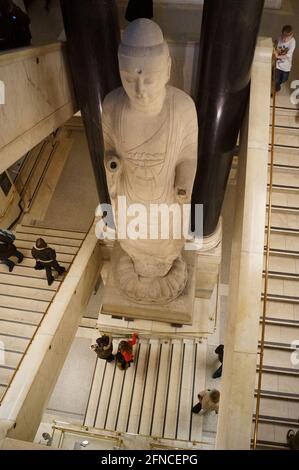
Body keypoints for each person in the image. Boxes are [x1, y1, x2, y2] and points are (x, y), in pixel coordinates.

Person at [274, 25, 296, 92]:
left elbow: (288, 55)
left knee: (284, 79)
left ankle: (278, 84)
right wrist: (274, 49)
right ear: (282, 34)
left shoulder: (292, 42)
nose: (284, 39)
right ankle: (275, 88)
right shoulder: (279, 38)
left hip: (286, 66)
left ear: (291, 36)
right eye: (283, 37)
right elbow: (275, 44)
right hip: (278, 64)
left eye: (287, 38)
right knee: (276, 79)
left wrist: (278, 56)